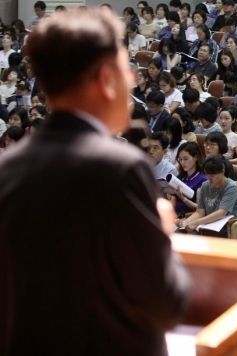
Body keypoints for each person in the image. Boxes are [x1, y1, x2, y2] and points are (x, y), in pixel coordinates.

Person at [0, 8, 190, 353]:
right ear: (105, 78)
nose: (132, 79)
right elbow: (166, 304)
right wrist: (163, 232)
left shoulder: (6, 169)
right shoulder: (121, 169)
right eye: (124, 67)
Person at [172, 141, 207, 216]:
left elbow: (199, 208)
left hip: (188, 217)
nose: (182, 163)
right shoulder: (180, 177)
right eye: (180, 159)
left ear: (196, 157)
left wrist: (182, 198)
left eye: (185, 159)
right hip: (174, 215)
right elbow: (173, 202)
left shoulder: (203, 180)